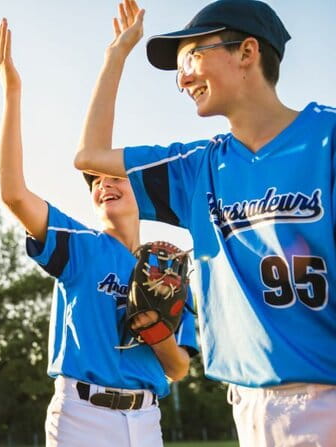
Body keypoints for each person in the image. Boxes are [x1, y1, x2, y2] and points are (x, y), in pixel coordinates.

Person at [74, 0, 336, 445]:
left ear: (247, 52)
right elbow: (90, 157)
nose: (183, 77)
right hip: (249, 403)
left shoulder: (326, 141)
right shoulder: (197, 166)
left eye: (192, 56)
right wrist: (115, 56)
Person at [0, 18, 197, 447]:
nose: (103, 182)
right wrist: (12, 91)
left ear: (138, 188)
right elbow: (14, 194)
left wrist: (158, 333)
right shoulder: (80, 246)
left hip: (145, 420)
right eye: (95, 181)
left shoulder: (168, 267)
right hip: (82, 416)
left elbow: (178, 369)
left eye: (113, 176)